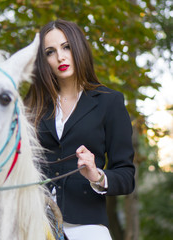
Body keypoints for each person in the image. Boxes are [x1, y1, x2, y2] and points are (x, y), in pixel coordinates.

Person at [24, 19, 135, 239]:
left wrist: (96, 175)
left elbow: (126, 176)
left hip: (86, 225)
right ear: (44, 60)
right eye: (50, 52)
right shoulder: (31, 105)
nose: (60, 57)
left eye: (66, 47)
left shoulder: (109, 102)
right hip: (32, 220)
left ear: (79, 48)